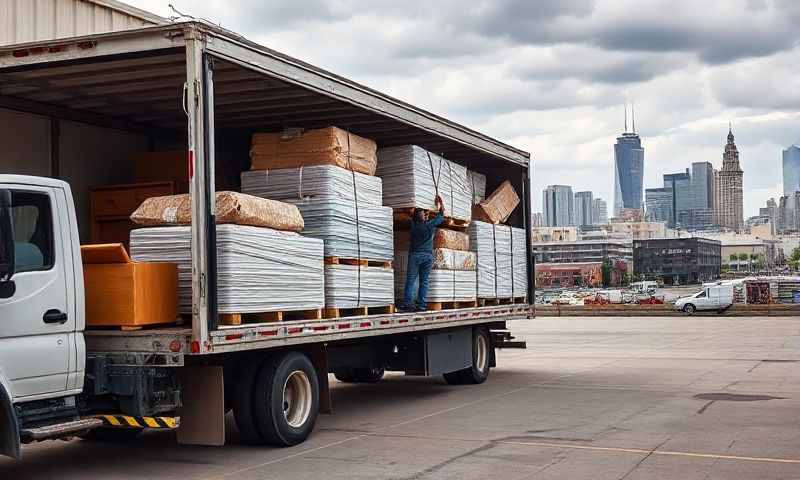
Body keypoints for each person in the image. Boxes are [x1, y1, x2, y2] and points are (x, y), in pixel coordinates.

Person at [399, 196, 445, 312]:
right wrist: (440, 204)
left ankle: (408, 303)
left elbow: (413, 216)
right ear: (423, 218)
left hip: (415, 256)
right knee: (424, 281)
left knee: (411, 279)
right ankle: (421, 304)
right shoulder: (429, 225)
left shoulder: (414, 226)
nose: (425, 215)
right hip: (427, 257)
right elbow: (440, 217)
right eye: (424, 214)